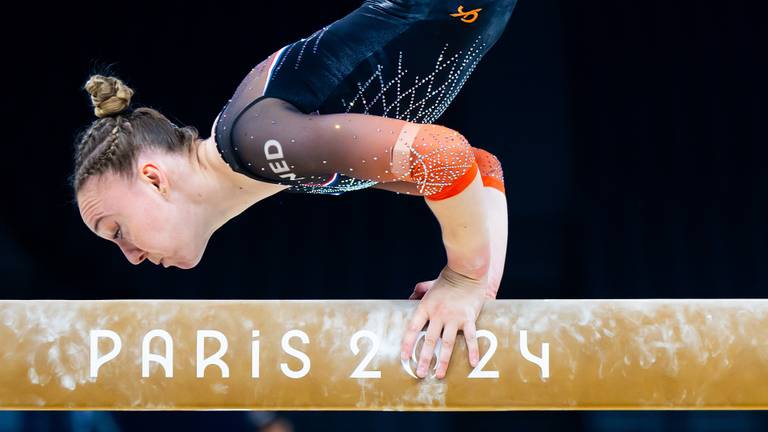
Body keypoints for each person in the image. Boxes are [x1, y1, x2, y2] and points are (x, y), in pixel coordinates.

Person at [73, 0, 516, 380]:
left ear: (154, 179)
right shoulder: (276, 164)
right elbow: (476, 169)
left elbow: (443, 157)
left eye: (115, 230)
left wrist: (464, 279)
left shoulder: (258, 144)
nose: (129, 255)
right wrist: (481, 288)